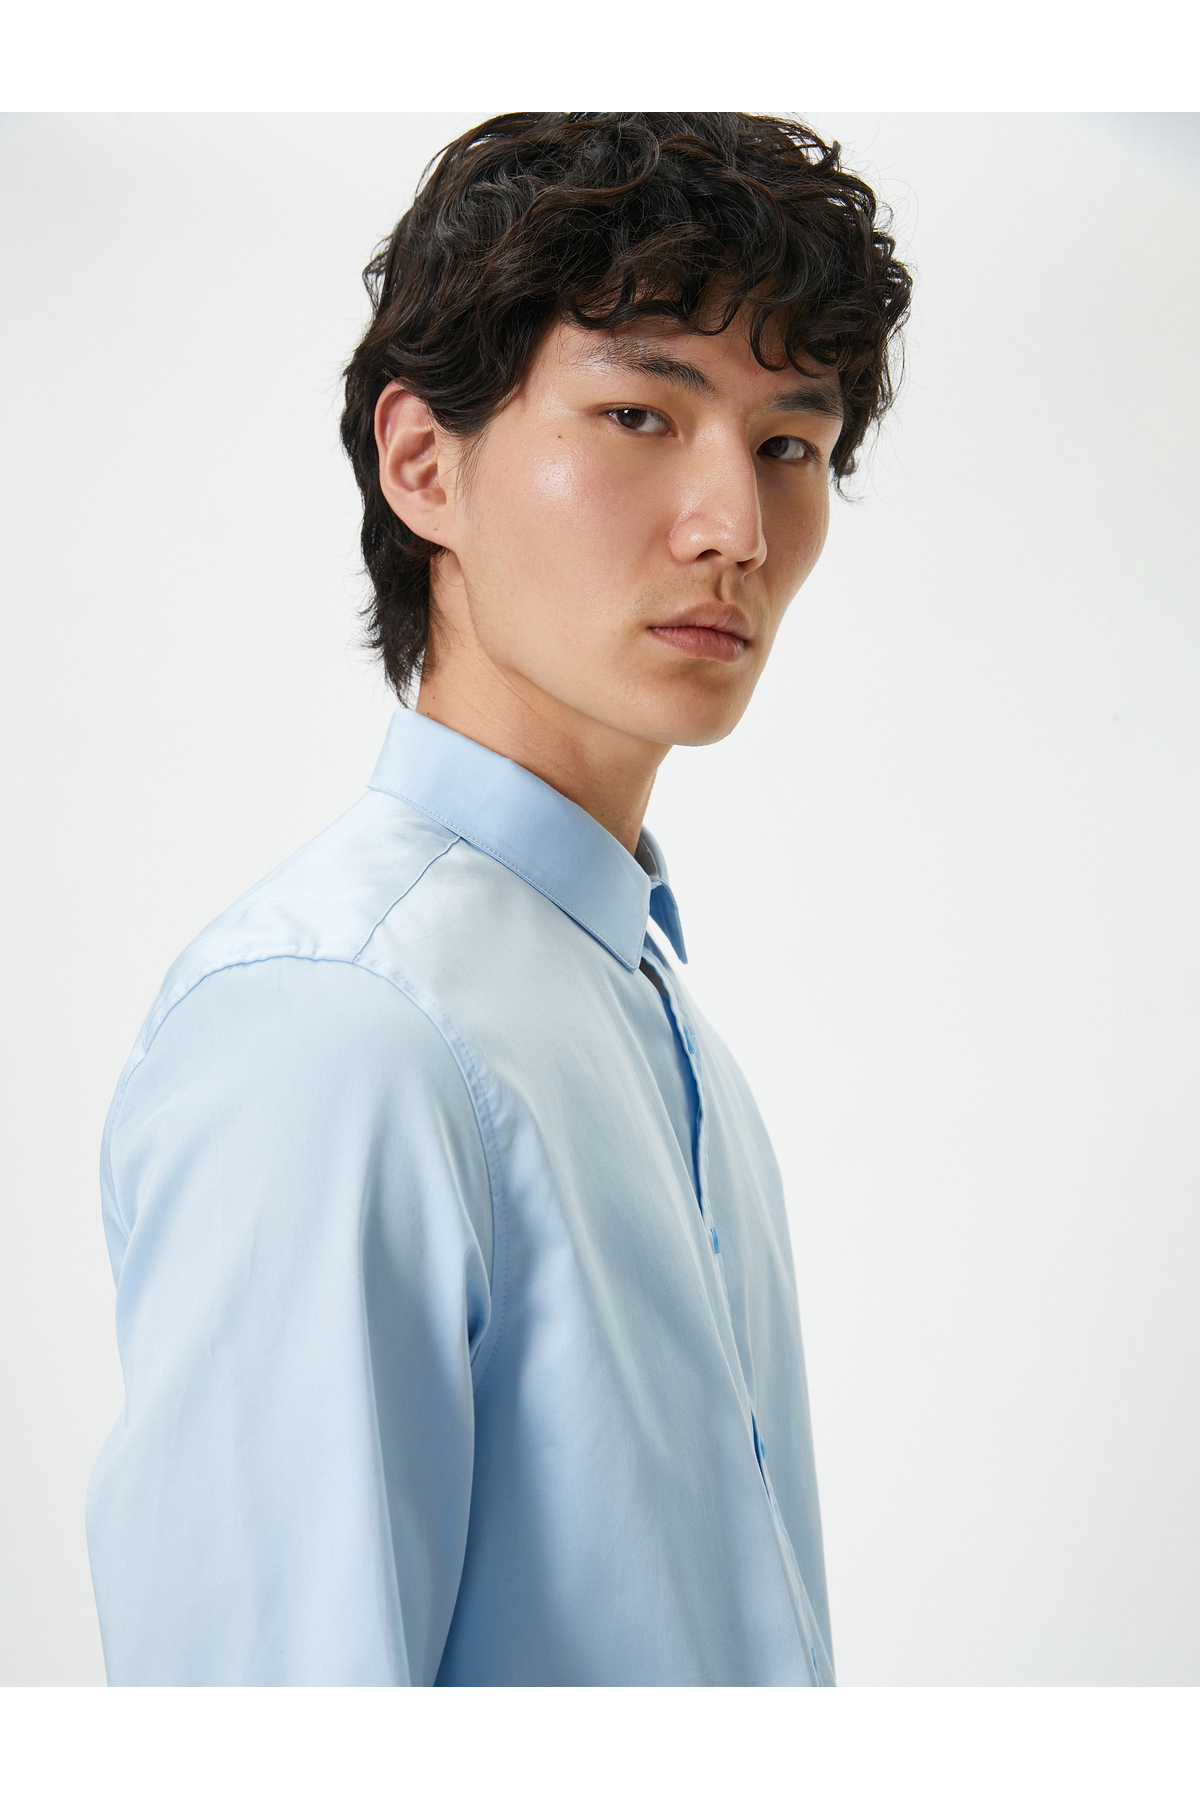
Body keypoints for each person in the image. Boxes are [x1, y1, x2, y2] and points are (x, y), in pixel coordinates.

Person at [86, 111, 911, 1686]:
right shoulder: (340, 1026)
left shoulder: (654, 1023)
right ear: (424, 464)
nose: (735, 530)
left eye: (787, 446)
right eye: (639, 415)